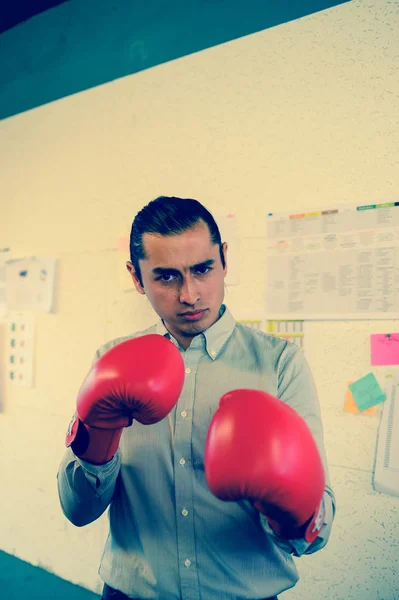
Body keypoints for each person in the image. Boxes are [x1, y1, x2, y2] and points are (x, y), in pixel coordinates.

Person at [57, 196, 336, 600]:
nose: (189, 294)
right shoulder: (111, 361)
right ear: (137, 278)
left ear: (224, 259)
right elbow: (77, 510)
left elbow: (317, 532)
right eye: (166, 277)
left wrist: (289, 506)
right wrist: (98, 437)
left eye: (202, 269)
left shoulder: (279, 363)